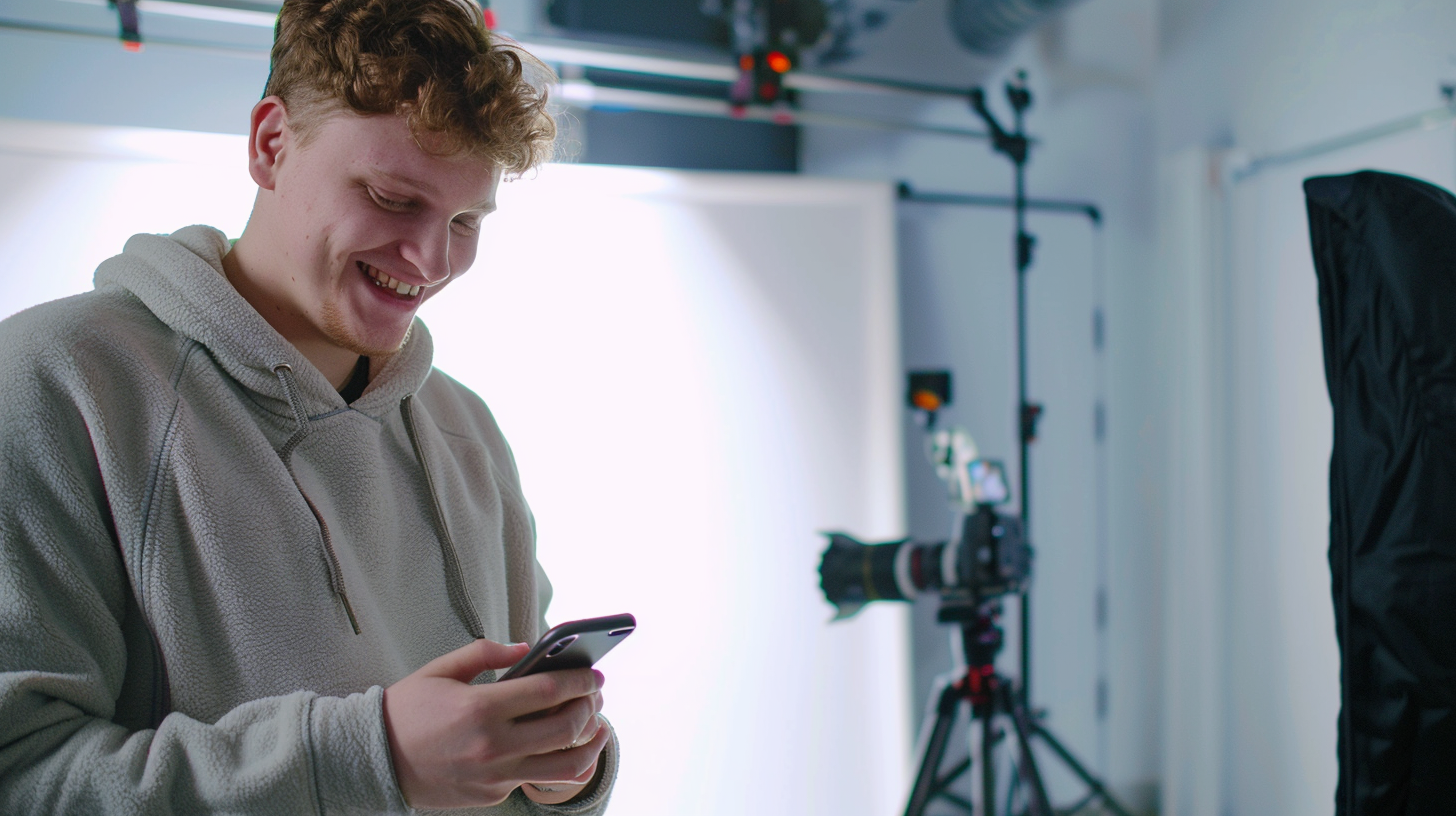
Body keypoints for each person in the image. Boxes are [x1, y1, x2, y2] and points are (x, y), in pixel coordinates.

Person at [0, 0, 617, 812]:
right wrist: (368, 759)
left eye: (465, 219)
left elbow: (506, 757)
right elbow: (22, 778)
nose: (432, 261)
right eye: (394, 199)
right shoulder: (55, 382)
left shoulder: (465, 430)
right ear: (269, 145)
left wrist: (558, 770)